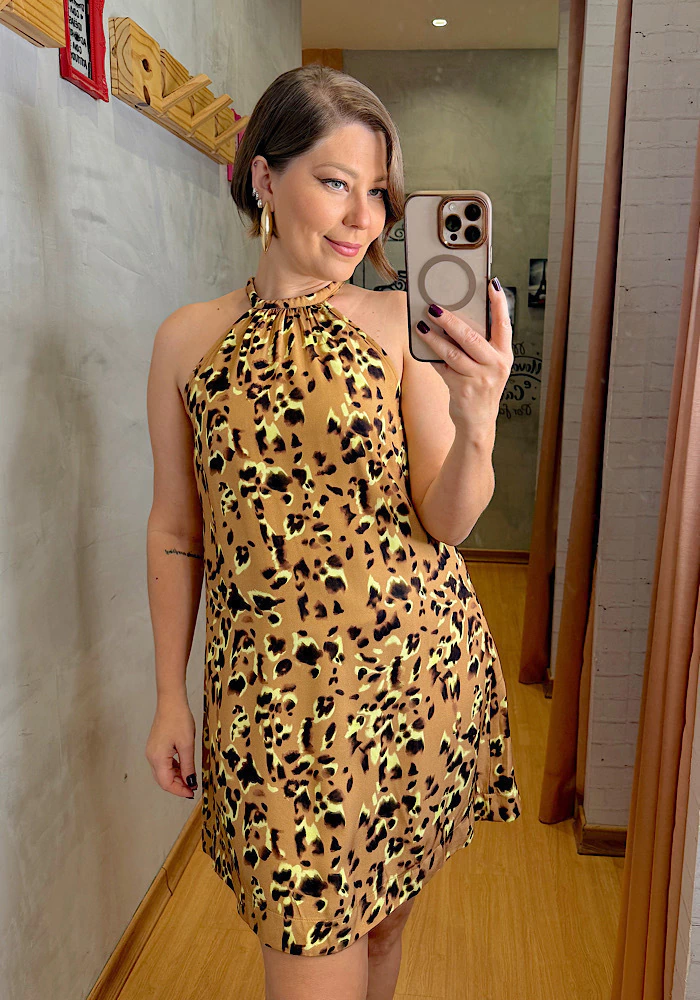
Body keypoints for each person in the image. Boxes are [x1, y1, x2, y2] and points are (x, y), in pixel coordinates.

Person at [145, 64, 521, 1000]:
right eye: (335, 182)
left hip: (414, 681)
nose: (363, 218)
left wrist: (478, 420)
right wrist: (167, 696)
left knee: (382, 932)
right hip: (273, 709)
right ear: (264, 179)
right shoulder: (187, 340)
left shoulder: (403, 322)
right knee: (314, 956)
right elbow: (176, 527)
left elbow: (446, 519)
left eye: (379, 192)